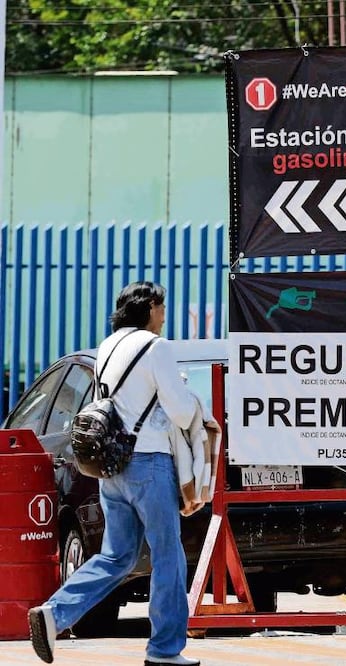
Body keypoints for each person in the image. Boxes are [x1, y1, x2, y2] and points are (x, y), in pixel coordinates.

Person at [29, 281, 207, 666]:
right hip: (149, 463)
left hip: (113, 468)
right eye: (161, 308)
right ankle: (164, 649)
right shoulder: (156, 347)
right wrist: (192, 401)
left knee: (117, 557)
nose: (164, 316)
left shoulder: (108, 346)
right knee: (168, 556)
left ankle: (54, 613)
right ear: (149, 309)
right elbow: (179, 411)